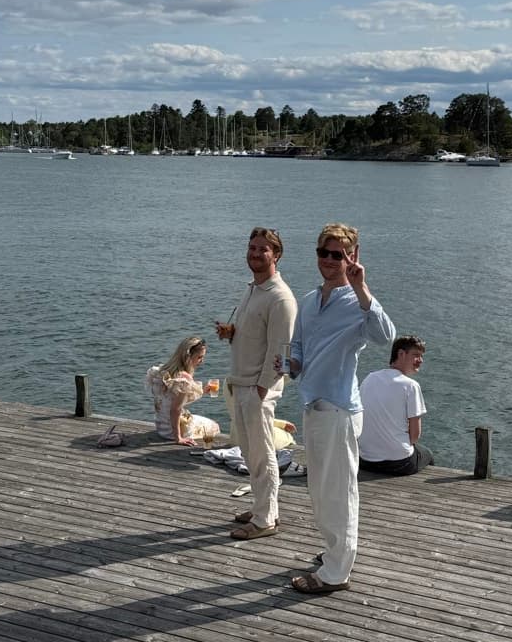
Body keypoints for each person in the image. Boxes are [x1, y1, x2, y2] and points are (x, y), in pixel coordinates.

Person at [285, 223, 395, 594]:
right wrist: (291, 365)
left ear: (352, 257)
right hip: (313, 405)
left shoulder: (357, 303)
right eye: (324, 253)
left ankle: (336, 573)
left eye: (339, 254)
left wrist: (362, 287)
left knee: (339, 494)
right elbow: (298, 346)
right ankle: (335, 553)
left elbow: (385, 336)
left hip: (339, 411)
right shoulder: (309, 300)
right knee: (320, 490)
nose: (330, 260)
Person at [216, 227, 297, 540]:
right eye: (252, 247)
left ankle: (265, 520)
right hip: (242, 384)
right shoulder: (253, 289)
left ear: (277, 255)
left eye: (263, 249)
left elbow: (283, 351)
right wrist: (232, 333)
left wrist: (262, 389)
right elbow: (256, 335)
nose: (255, 253)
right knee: (250, 454)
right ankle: (264, 507)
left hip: (257, 389)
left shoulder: (280, 298)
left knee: (262, 456)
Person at [358, 336, 431, 475]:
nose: (421, 360)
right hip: (399, 464)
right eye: (416, 355)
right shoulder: (411, 386)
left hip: (366, 460)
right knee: (427, 454)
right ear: (401, 354)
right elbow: (415, 436)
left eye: (421, 356)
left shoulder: (369, 378)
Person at [145, 335, 220, 446]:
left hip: (162, 427)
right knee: (214, 426)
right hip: (174, 431)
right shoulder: (184, 379)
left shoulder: (162, 371)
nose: (202, 361)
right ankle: (207, 448)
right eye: (199, 357)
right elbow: (175, 409)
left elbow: (172, 401)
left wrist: (202, 391)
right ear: (188, 357)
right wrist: (178, 438)